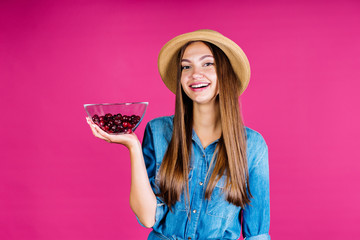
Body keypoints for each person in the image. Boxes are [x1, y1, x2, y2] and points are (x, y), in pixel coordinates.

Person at [86, 29, 270, 240]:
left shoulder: (253, 145)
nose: (194, 74)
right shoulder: (158, 131)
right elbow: (148, 218)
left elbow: (257, 234)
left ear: (225, 73)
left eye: (207, 64)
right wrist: (133, 147)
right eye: (186, 66)